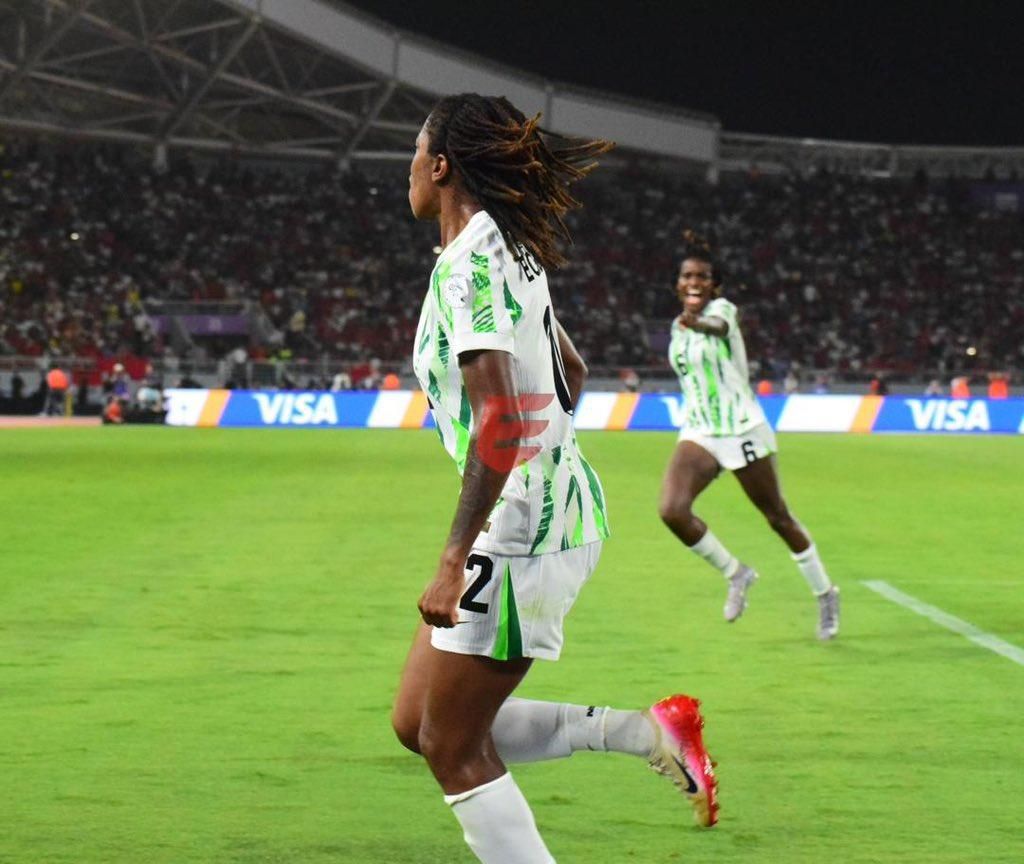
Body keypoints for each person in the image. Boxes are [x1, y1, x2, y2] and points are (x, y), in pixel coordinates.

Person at [391, 94, 718, 864]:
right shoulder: (503, 248)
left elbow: (502, 421)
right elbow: (570, 366)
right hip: (546, 511)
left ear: (440, 167)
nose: (404, 167)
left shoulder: (472, 262)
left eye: (413, 151)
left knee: (451, 745)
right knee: (418, 723)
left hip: (521, 531)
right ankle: (645, 733)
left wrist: (453, 558)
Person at [659, 230, 839, 640]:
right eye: (687, 276)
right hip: (701, 430)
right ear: (677, 283)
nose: (693, 282)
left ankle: (825, 593)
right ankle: (737, 573)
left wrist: (698, 321)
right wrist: (688, 324)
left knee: (778, 517)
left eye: (702, 276)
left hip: (742, 428)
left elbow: (718, 328)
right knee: (672, 510)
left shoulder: (723, 311)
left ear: (713, 285)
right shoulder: (676, 327)